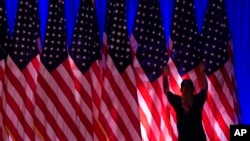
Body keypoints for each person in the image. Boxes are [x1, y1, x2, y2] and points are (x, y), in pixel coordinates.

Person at [163, 63, 208, 141]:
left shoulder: (177, 101)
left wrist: (166, 75)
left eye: (187, 88)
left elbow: (166, 90)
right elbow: (205, 88)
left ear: (181, 90)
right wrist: (202, 72)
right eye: (185, 88)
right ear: (193, 90)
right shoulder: (197, 100)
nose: (186, 90)